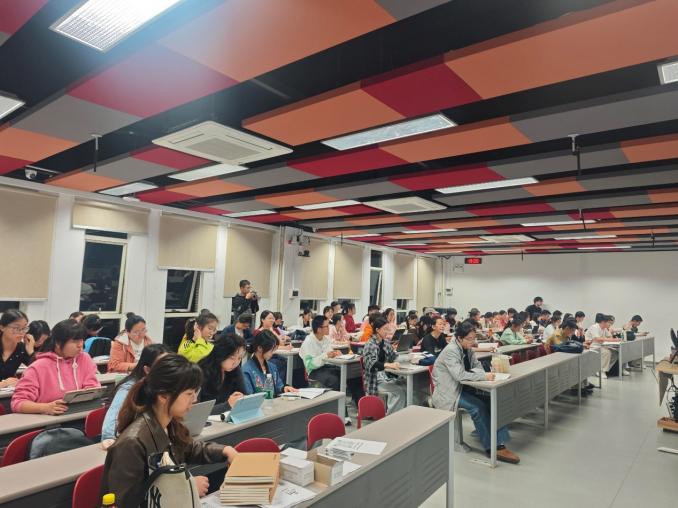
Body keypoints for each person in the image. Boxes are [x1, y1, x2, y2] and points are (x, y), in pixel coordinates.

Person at [100, 354, 238, 507]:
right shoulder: (132, 443)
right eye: (189, 394)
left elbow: (189, 448)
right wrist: (186, 490)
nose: (194, 400)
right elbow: (127, 503)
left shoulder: (169, 424)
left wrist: (225, 450)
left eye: (195, 392)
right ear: (163, 396)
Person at [432, 321, 519, 464]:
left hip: (465, 387)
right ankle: (492, 447)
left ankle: (499, 441)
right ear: (459, 338)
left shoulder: (467, 348)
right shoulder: (451, 350)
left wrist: (483, 374)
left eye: (474, 338)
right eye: (469, 339)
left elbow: (477, 366)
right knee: (477, 408)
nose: (473, 342)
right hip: (450, 392)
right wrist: (483, 376)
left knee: (494, 401)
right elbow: (460, 375)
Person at [11, 319, 99, 414]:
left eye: (82, 340)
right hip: (48, 420)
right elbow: (18, 403)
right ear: (58, 343)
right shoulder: (38, 367)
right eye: (75, 341)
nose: (80, 345)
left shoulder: (84, 358)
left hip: (78, 413)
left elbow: (92, 388)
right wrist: (45, 407)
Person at [299, 316, 364, 423]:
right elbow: (309, 365)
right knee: (334, 380)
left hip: (326, 367)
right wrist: (326, 355)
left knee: (353, 375)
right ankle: (341, 413)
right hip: (314, 371)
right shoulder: (308, 342)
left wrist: (336, 353)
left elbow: (329, 355)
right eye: (326, 326)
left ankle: (362, 409)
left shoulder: (326, 339)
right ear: (319, 329)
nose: (329, 328)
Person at [101, 343, 170, 441]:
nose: (168, 371)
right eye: (162, 368)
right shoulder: (128, 389)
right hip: (130, 442)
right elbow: (108, 430)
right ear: (147, 370)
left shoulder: (165, 387)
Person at [362, 317, 407, 415]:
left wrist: (409, 358)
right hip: (375, 380)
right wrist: (389, 365)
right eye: (385, 329)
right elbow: (372, 364)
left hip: (385, 376)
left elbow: (394, 357)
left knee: (406, 386)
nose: (388, 331)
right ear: (377, 330)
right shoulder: (370, 344)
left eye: (388, 329)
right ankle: (391, 418)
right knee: (399, 392)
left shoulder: (385, 343)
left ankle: (401, 415)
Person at [198, 333, 247, 413]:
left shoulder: (235, 369)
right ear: (221, 354)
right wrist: (227, 405)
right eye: (232, 358)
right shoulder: (201, 371)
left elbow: (244, 395)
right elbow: (196, 411)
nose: (235, 363)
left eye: (239, 358)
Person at [242, 330, 298, 396]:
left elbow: (279, 386)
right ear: (260, 348)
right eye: (271, 350)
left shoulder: (272, 367)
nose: (273, 352)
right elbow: (249, 397)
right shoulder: (246, 371)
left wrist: (284, 388)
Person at [0, 310, 35, 388]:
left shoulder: (21, 349)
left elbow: (40, 371)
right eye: (16, 328)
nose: (21, 332)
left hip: (8, 393)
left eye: (24, 328)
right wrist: (3, 383)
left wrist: (31, 351)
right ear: (2, 327)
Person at [586, 313, 625, 378]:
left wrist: (614, 339)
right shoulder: (595, 327)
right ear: (603, 322)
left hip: (601, 346)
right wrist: (612, 340)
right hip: (592, 346)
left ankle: (604, 369)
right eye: (609, 323)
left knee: (615, 353)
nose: (610, 325)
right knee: (607, 352)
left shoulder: (604, 328)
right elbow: (597, 339)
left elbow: (609, 336)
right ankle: (601, 371)